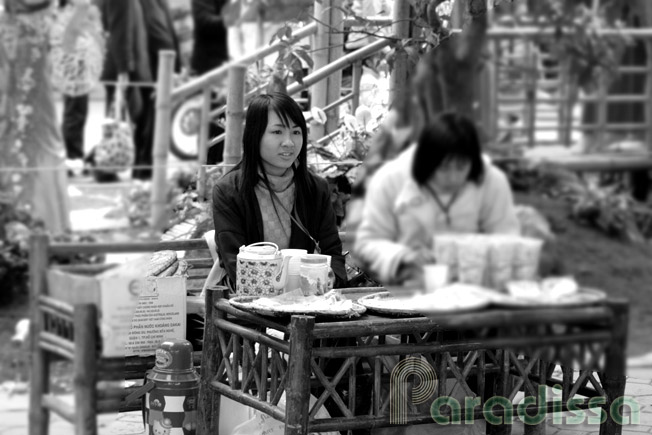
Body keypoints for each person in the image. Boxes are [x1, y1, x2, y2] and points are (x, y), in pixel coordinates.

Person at [353, 112, 520, 287]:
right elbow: (367, 243)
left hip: (476, 288)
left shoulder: (491, 180)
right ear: (426, 162)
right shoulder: (390, 179)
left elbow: (506, 237)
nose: (453, 177)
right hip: (407, 287)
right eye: (445, 168)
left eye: (461, 167)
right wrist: (402, 256)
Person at [212, 92, 347, 289]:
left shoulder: (316, 189)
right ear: (254, 135)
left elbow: (332, 252)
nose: (289, 142)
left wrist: (328, 278)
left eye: (296, 132)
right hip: (249, 305)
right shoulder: (228, 191)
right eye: (277, 132)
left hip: (308, 302)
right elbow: (234, 264)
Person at [0, 0, 71, 234]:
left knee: (37, 144)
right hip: (12, 102)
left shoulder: (46, 21)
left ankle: (44, 228)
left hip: (36, 103)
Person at [190, 0, 229, 165]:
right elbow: (207, 24)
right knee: (210, 119)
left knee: (220, 117)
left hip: (221, 67)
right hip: (207, 69)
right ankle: (205, 167)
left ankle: (215, 164)